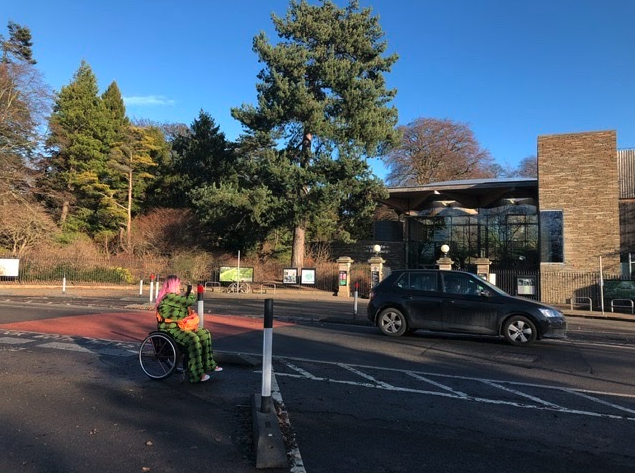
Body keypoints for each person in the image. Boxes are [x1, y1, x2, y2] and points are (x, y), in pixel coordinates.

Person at [155, 275, 221, 383]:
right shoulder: (169, 297)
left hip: (181, 326)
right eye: (178, 284)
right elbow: (188, 301)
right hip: (170, 329)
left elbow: (183, 304)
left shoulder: (174, 297)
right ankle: (196, 375)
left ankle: (208, 364)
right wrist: (192, 294)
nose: (180, 286)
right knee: (193, 339)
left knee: (205, 333)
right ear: (173, 285)